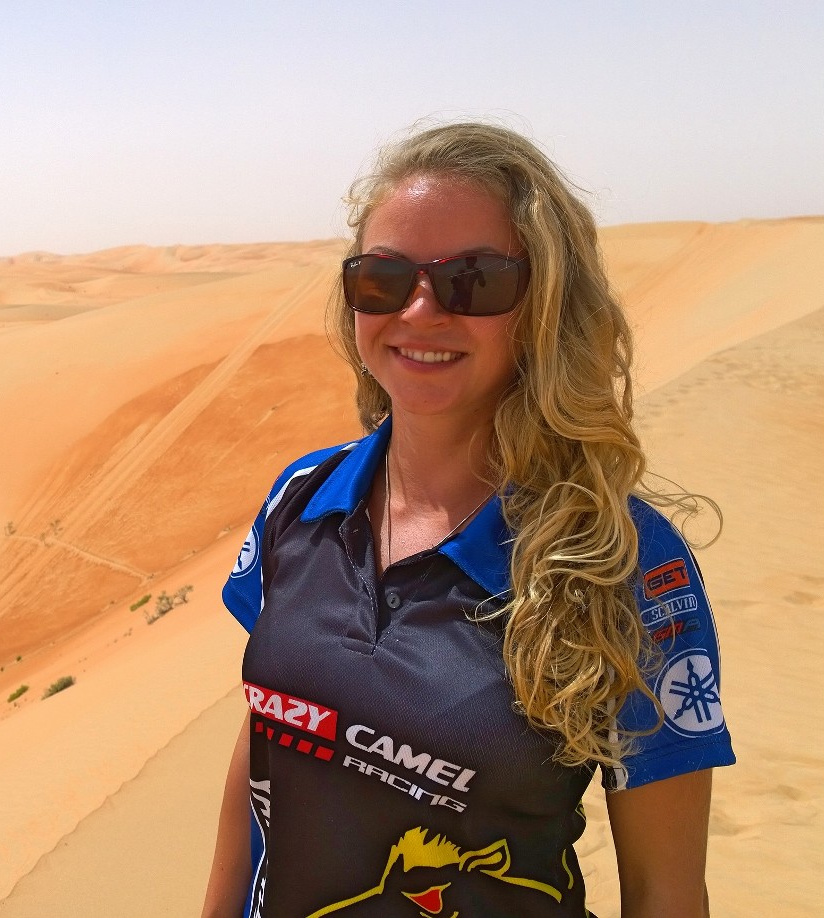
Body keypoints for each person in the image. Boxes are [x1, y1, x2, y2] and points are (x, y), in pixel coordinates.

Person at [201, 123, 734, 918]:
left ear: (545, 305)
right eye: (383, 278)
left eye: (474, 281)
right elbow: (267, 742)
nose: (420, 310)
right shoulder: (303, 499)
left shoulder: (621, 563)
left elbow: (667, 891)